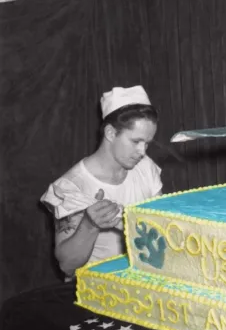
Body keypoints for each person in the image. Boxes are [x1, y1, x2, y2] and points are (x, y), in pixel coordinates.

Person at [40, 85, 163, 280]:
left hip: (143, 284)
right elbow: (67, 266)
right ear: (111, 133)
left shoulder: (145, 167)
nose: (142, 152)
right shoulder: (72, 186)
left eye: (147, 143)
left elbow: (159, 227)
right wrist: (90, 225)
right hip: (96, 293)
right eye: (136, 141)